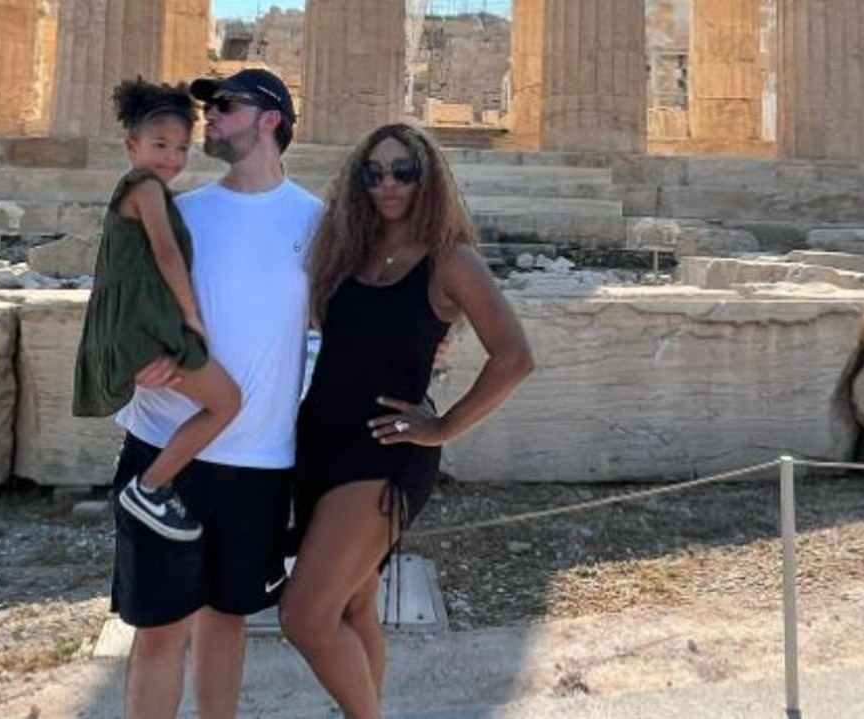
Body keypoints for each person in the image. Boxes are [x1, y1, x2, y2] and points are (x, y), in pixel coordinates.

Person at [279, 122, 535, 719]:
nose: (388, 183)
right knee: (353, 606)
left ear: (429, 177)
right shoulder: (347, 252)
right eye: (374, 172)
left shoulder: (452, 261)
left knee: (305, 615)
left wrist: (444, 426)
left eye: (403, 170)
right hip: (319, 443)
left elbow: (515, 356)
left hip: (387, 449)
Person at [108, 68, 323, 719]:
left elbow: (348, 317)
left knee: (229, 619)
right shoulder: (181, 211)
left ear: (270, 119)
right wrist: (136, 355)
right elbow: (122, 298)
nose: (207, 118)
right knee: (160, 628)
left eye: (224, 106)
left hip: (258, 458)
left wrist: (434, 341)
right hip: (163, 444)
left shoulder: (318, 221)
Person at [74, 79, 241, 543]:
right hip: (144, 330)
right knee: (227, 401)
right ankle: (148, 487)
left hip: (132, 325)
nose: (172, 157)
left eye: (182, 147)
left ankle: (159, 484)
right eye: (160, 145)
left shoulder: (142, 190)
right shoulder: (146, 188)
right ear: (133, 146)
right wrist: (192, 317)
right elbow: (167, 255)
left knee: (219, 401)